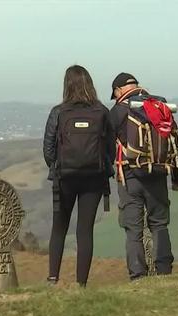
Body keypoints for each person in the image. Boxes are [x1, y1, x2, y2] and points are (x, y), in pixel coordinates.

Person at [43, 65, 115, 287]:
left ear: (66, 85)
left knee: (59, 227)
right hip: (93, 178)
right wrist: (104, 168)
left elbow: (48, 148)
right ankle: (80, 283)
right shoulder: (102, 112)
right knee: (85, 230)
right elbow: (110, 147)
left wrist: (56, 167)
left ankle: (53, 278)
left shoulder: (58, 112)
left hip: (64, 178)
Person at [109, 72, 178, 279]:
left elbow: (107, 145)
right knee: (159, 224)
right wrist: (177, 178)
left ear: (118, 91)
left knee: (133, 229)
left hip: (130, 177)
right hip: (158, 174)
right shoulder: (160, 106)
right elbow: (173, 144)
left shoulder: (117, 111)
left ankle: (138, 275)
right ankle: (165, 271)